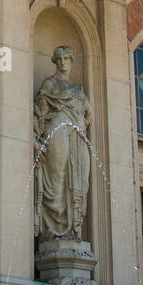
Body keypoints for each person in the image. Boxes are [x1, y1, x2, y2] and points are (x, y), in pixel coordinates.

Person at [34, 46, 92, 241]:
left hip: (77, 135)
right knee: (57, 177)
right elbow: (40, 112)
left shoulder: (77, 90)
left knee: (78, 180)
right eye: (60, 58)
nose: (63, 62)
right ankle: (54, 230)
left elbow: (89, 115)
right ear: (55, 61)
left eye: (67, 58)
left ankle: (71, 229)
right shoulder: (49, 84)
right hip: (57, 131)